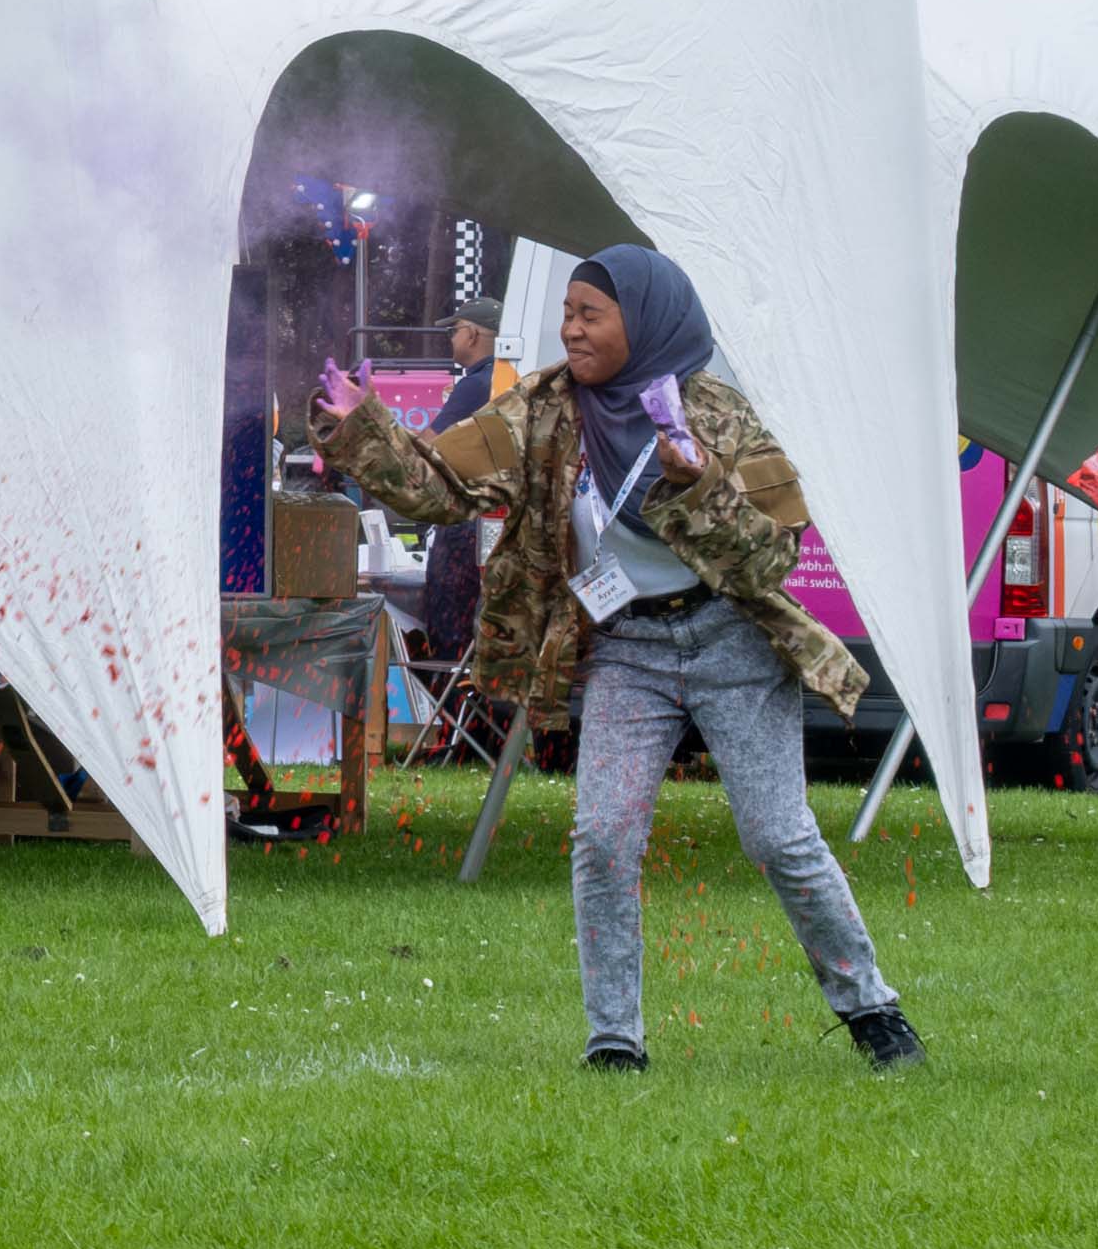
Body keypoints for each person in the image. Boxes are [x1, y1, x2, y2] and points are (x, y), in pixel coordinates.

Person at [316, 236, 921, 1081]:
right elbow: (443, 484)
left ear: (643, 322)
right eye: (565, 312)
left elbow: (774, 553)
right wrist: (359, 431)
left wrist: (693, 485)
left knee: (780, 837)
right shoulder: (542, 409)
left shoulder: (717, 415)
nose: (570, 329)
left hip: (731, 643)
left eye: (589, 314)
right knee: (601, 838)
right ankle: (615, 1041)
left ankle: (874, 1013)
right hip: (627, 648)